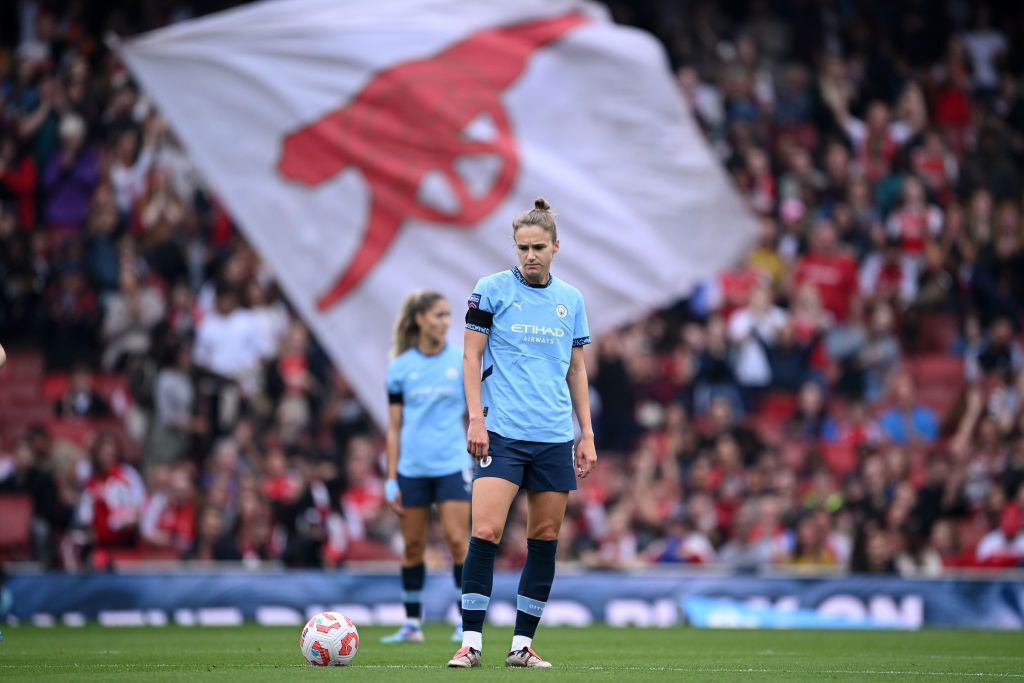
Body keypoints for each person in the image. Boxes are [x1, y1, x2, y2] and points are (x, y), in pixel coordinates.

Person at [447, 198, 597, 669]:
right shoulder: (490, 289)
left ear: (555, 247)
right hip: (503, 433)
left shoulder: (570, 300)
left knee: (545, 536)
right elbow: (471, 357)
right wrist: (475, 417)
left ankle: (521, 645)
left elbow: (576, 370)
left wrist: (586, 433)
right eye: (522, 247)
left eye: (537, 247)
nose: (529, 255)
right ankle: (471, 642)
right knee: (486, 531)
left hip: (553, 435)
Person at [380, 290, 471, 645]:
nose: (446, 323)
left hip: (451, 464)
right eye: (438, 315)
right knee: (413, 546)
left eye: (448, 316)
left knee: (457, 541)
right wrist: (391, 478)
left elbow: (474, 410)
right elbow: (393, 426)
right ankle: (412, 625)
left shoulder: (460, 360)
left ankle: (467, 622)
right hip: (412, 468)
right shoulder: (400, 368)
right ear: (419, 319)